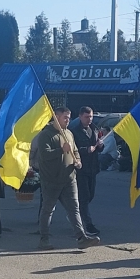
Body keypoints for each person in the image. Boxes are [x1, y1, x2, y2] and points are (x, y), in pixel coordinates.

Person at [36, 107, 101, 250]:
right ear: (56, 118)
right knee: (48, 210)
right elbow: (45, 155)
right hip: (51, 180)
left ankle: (81, 238)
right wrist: (61, 150)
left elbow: (75, 151)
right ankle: (44, 239)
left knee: (74, 209)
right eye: (65, 117)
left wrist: (78, 161)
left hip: (69, 178)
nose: (68, 120)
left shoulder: (69, 134)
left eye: (69, 117)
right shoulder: (46, 135)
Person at [71, 106, 104, 236]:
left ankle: (76, 214)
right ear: (80, 117)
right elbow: (72, 150)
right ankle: (88, 225)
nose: (89, 119)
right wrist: (85, 150)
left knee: (90, 195)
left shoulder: (94, 129)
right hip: (81, 169)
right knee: (84, 197)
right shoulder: (74, 131)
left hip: (93, 168)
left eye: (90, 116)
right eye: (86, 117)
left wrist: (100, 146)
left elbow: (98, 148)